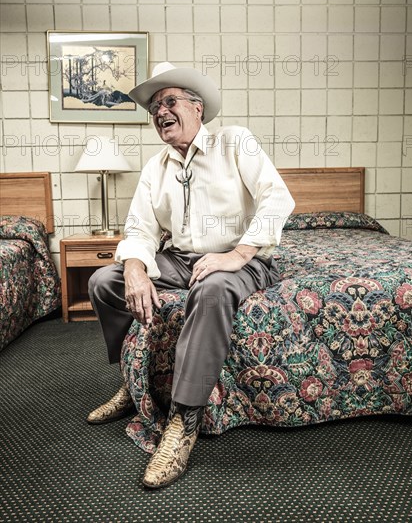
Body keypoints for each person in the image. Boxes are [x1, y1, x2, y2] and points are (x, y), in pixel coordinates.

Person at [87, 62, 295, 489]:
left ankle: (184, 419)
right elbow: (140, 229)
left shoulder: (235, 141)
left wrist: (238, 253)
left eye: (169, 101)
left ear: (197, 108)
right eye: (154, 107)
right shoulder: (155, 167)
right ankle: (133, 380)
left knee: (214, 290)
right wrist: (135, 268)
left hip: (242, 258)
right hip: (180, 258)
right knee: (103, 282)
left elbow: (278, 198)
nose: (160, 111)